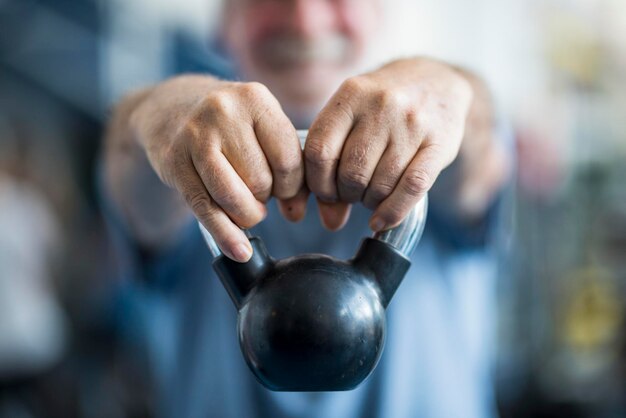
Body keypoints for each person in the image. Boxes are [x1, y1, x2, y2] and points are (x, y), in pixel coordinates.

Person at [102, 0, 511, 417]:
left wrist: (446, 88)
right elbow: (129, 164)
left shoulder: (441, 139)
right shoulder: (173, 155)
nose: (305, 20)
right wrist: (159, 110)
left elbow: (477, 157)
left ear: (378, 12)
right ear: (226, 21)